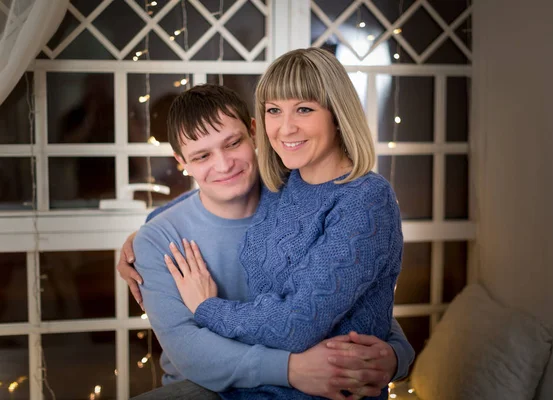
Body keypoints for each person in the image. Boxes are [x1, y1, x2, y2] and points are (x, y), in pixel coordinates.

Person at [121, 83, 414, 399]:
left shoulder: (299, 201)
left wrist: (397, 353)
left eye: (232, 144)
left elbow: (335, 297)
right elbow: (189, 350)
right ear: (181, 160)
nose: (223, 165)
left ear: (253, 131)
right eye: (202, 155)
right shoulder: (159, 239)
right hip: (204, 386)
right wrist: (292, 369)